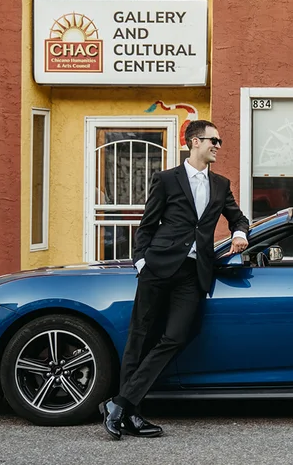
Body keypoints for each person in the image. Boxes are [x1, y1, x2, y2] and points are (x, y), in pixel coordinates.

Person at [100, 119, 250, 440]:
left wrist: (239, 233)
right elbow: (147, 224)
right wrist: (141, 263)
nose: (218, 146)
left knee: (176, 337)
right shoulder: (166, 179)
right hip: (157, 269)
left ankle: (119, 405)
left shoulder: (220, 184)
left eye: (219, 141)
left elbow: (238, 217)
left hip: (192, 276)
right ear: (195, 142)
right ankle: (132, 415)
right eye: (214, 140)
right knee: (139, 340)